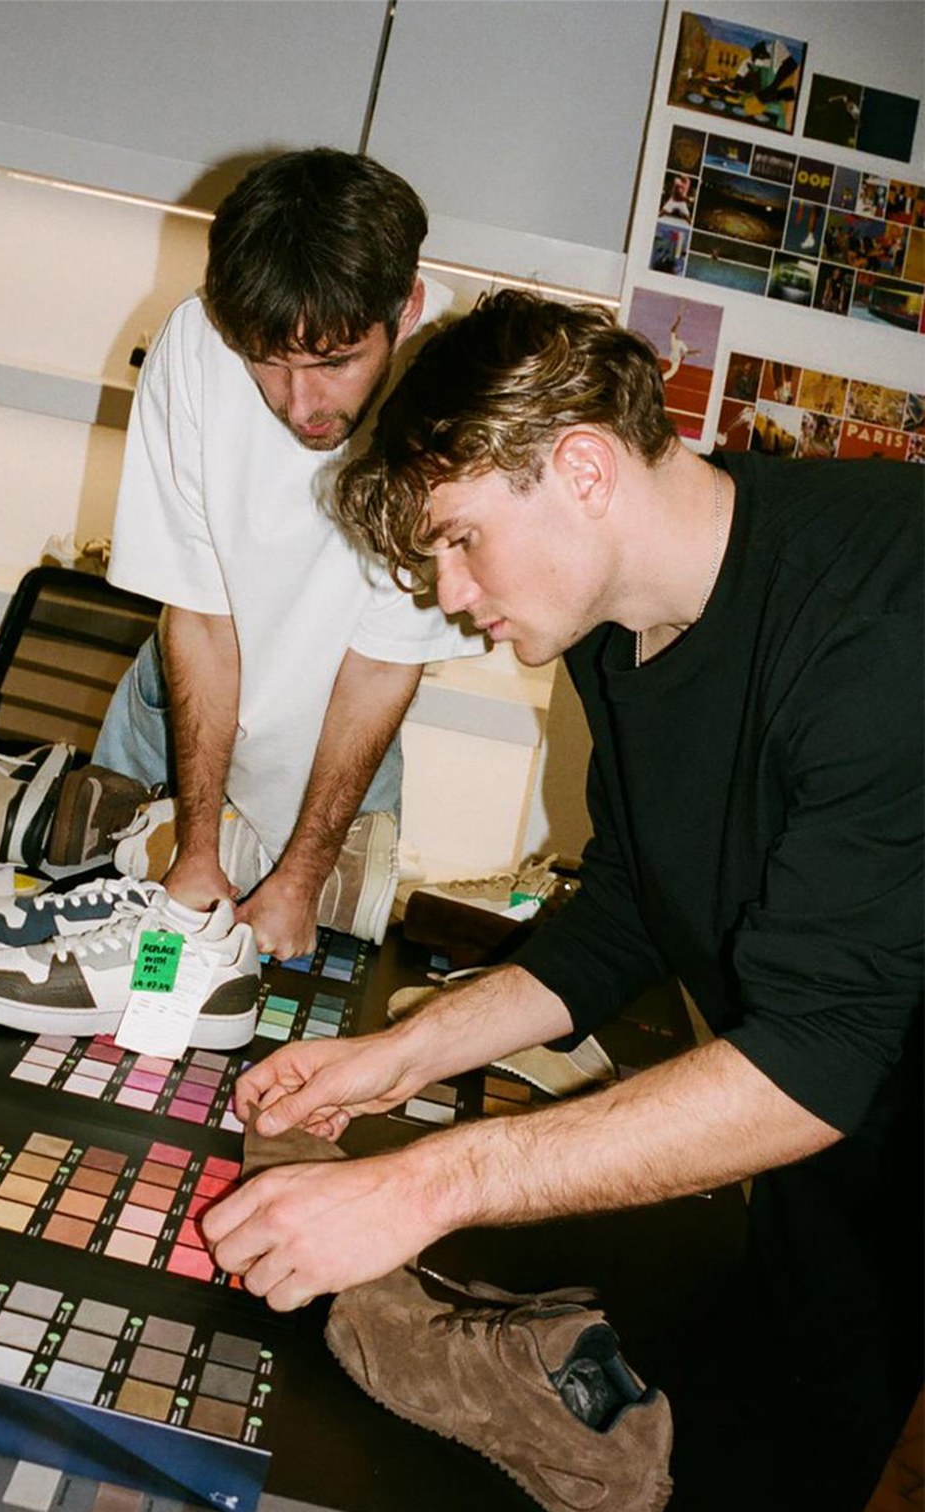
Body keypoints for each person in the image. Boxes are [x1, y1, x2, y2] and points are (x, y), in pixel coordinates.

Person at [201, 291, 923, 1510]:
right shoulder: (611, 624)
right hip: (840, 1140)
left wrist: (424, 1183)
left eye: (460, 538)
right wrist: (398, 1058)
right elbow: (633, 906)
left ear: (583, 469)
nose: (447, 591)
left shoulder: (878, 629)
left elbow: (819, 1058)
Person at [94, 149, 481, 960]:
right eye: (269, 363)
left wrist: (301, 878)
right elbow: (200, 615)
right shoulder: (195, 343)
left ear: (406, 308)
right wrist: (196, 849)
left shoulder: (454, 390)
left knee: (296, 991)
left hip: (344, 739)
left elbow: (381, 668)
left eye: (335, 363)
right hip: (178, 716)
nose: (301, 403)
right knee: (110, 953)